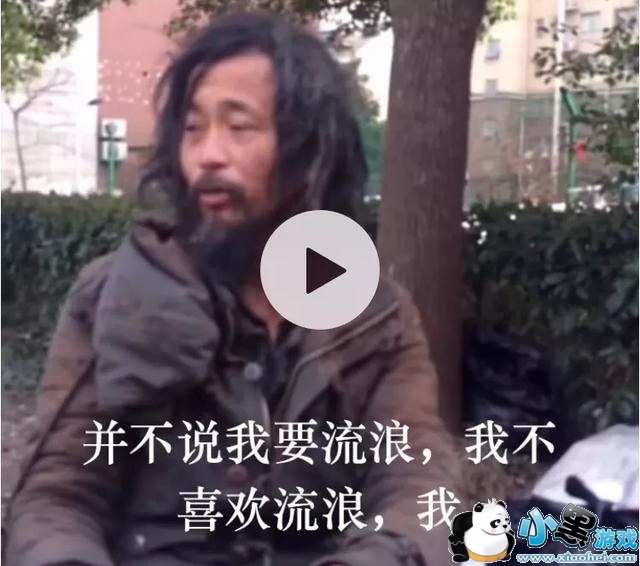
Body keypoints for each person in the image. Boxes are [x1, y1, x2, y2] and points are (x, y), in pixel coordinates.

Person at [4, 13, 464, 566]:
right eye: (192, 129)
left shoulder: (374, 316)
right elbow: (58, 496)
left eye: (239, 127)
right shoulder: (111, 297)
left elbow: (419, 484)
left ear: (309, 154)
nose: (207, 155)